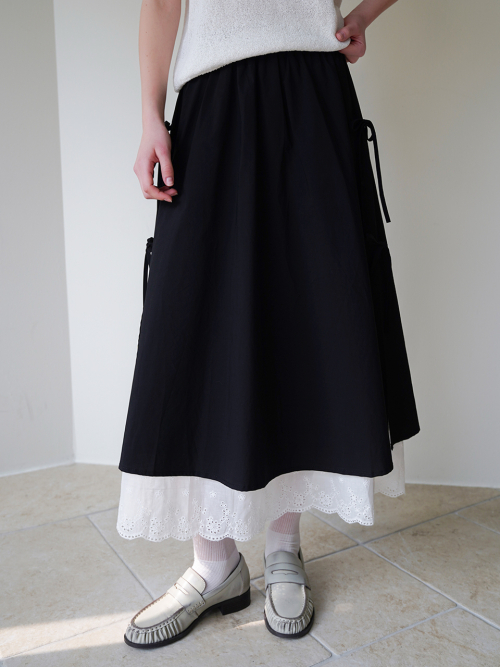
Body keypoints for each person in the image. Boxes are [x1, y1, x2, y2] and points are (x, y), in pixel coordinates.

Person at [116, 0, 420, 649]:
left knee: (304, 319)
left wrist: (362, 16)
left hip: (312, 94)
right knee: (196, 324)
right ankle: (214, 563)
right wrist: (150, 116)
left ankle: (284, 547)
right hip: (209, 103)